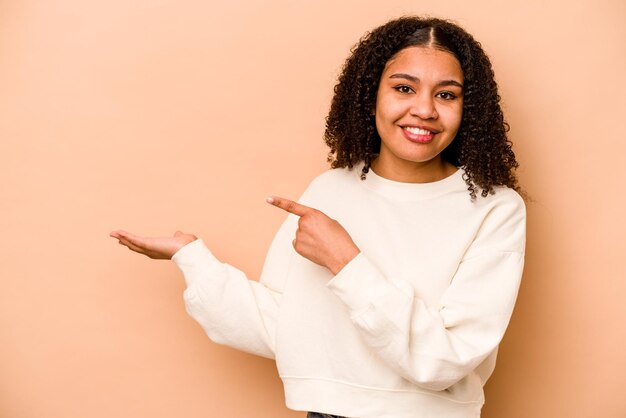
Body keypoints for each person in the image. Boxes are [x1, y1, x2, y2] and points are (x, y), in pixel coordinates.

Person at [111, 16, 526, 418]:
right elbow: (287, 325)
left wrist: (344, 260)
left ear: (468, 109)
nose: (424, 110)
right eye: (404, 88)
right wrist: (192, 258)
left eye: (446, 94)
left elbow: (444, 360)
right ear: (371, 97)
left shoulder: (494, 208)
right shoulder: (331, 191)